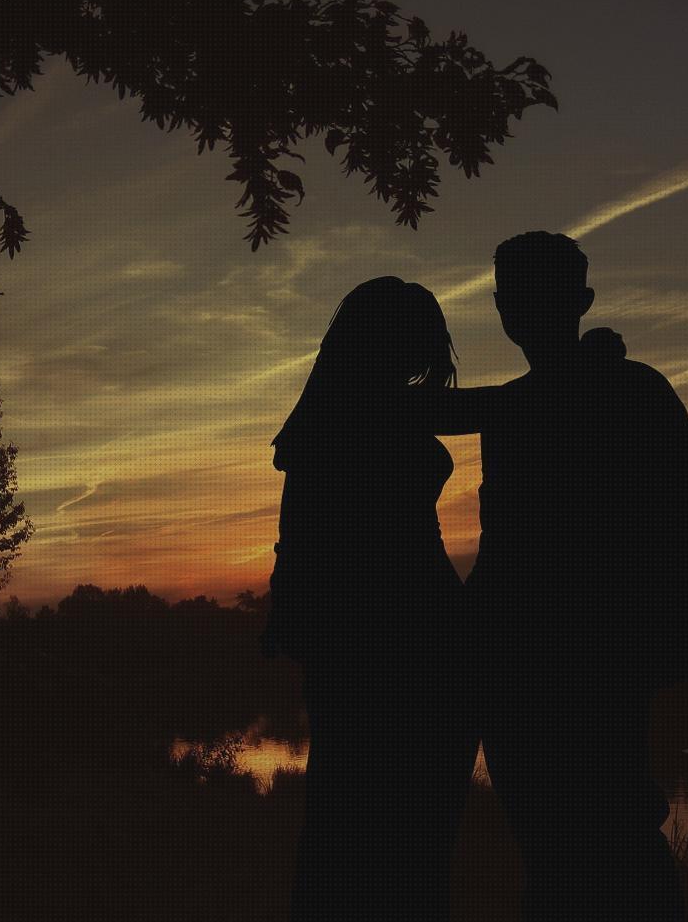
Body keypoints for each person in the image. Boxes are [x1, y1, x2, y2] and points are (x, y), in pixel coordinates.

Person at [465, 231, 688, 922]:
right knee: (557, 851)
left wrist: (673, 625)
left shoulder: (632, 392)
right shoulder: (517, 405)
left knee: (610, 841)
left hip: (594, 660)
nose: (525, 309)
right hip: (518, 665)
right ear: (501, 306)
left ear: (580, 300)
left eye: (539, 294)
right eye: (516, 295)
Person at [264, 276, 475, 922]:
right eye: (417, 345)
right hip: (399, 637)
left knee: (370, 829)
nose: (424, 365)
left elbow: (293, 536)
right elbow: (298, 536)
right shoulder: (365, 412)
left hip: (404, 636)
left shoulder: (342, 411)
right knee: (388, 833)